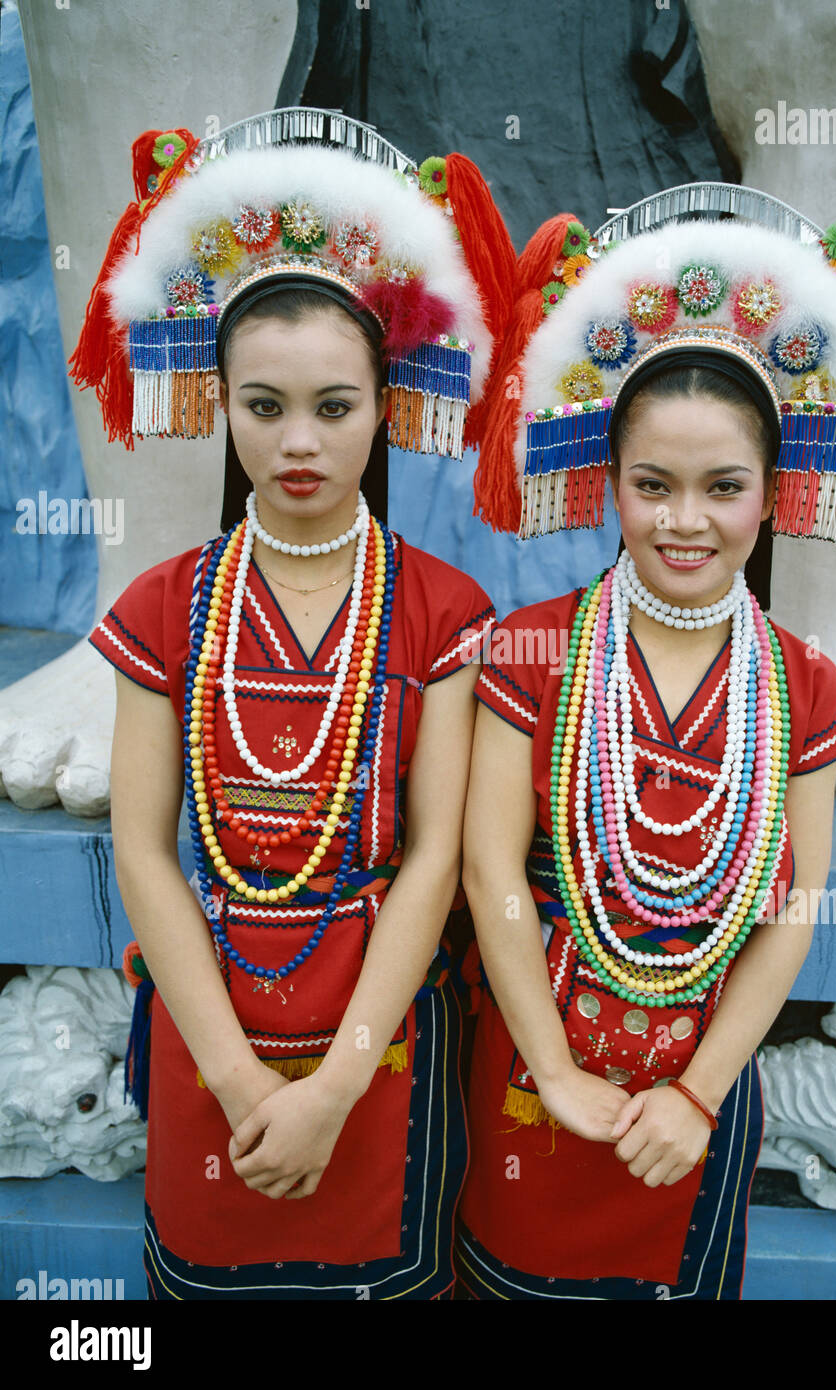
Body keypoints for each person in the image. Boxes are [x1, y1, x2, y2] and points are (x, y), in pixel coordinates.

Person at [455, 203, 836, 1298]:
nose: (686, 521)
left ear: (774, 489)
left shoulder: (802, 685)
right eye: (652, 485)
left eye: (725, 488)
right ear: (607, 479)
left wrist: (700, 1092)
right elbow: (490, 873)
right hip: (533, 1073)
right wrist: (559, 1071)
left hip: (699, 1091)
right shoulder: (533, 650)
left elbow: (796, 906)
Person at [81, 117, 504, 1298]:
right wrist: (238, 1081)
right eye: (263, 407)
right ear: (219, 402)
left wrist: (332, 1085)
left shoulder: (442, 610)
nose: (301, 441)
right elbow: (142, 848)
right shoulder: (166, 605)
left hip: (382, 1032)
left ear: (387, 400)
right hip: (208, 1021)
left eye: (336, 405)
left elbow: (435, 864)